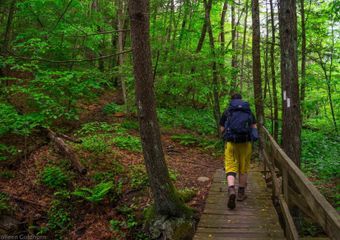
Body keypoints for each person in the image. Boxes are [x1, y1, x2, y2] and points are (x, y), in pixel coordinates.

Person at [219, 93, 257, 209]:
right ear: (241, 99)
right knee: (243, 168)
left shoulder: (228, 111)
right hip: (246, 143)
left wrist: (225, 136)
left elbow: (222, 128)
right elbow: (254, 127)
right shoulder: (248, 111)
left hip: (231, 143)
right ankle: (241, 193)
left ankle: (231, 189)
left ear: (232, 100)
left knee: (230, 166)